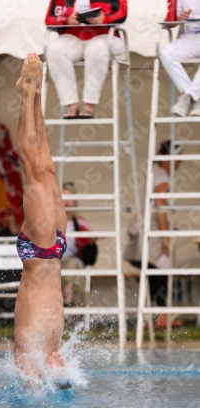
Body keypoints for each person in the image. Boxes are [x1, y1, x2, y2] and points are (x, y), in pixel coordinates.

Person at [14, 53, 68, 384]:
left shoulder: (25, 352)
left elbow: (28, 375)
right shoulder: (46, 353)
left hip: (40, 250)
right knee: (44, 166)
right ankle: (36, 92)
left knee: (33, 169)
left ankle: (28, 94)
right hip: (54, 250)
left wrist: (34, 381)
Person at [124, 140, 184, 330]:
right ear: (169, 156)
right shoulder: (161, 176)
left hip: (148, 228)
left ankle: (152, 317)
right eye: (179, 157)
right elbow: (160, 209)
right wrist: (167, 236)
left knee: (152, 272)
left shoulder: (156, 174)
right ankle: (161, 317)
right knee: (161, 268)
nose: (180, 162)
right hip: (153, 230)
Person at [45, 0, 127, 119]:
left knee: (97, 49)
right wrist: (66, 20)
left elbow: (122, 13)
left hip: (105, 36)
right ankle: (71, 104)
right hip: (72, 37)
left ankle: (89, 104)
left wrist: (104, 19)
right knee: (54, 50)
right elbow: (49, 19)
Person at [160, 0, 200, 117]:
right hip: (188, 39)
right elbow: (168, 22)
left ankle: (188, 97)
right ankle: (194, 98)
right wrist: (178, 18)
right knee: (166, 54)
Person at [62, 183, 97, 307]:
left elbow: (88, 248)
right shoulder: (50, 222)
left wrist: (91, 241)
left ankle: (73, 308)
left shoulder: (81, 223)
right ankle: (77, 314)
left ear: (74, 200)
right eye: (63, 196)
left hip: (75, 263)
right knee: (73, 267)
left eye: (69, 196)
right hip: (55, 263)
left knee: (80, 277)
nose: (66, 200)